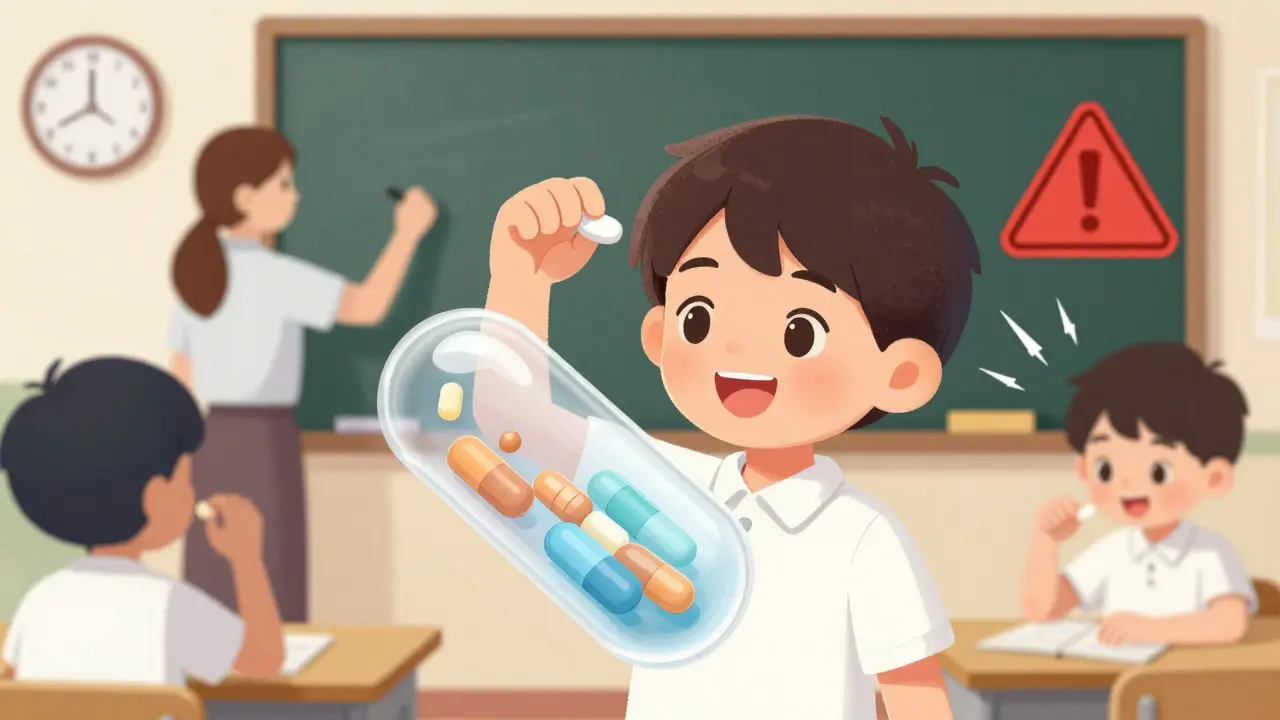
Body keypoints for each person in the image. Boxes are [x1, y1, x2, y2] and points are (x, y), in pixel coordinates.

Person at [480, 116, 981, 719]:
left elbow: (915, 698)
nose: (737, 349)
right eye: (699, 317)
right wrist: (521, 278)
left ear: (900, 374)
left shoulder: (862, 537)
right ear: (660, 335)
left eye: (800, 332)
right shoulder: (668, 488)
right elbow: (515, 429)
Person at [168, 127, 437, 622]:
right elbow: (367, 307)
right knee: (270, 579)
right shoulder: (273, 275)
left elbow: (180, 376)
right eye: (283, 184)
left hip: (209, 442)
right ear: (245, 198)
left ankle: (210, 668)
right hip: (262, 443)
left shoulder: (196, 275)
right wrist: (407, 233)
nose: (296, 195)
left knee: (214, 580)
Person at [0, 357, 283, 684]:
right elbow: (264, 660)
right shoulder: (169, 602)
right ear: (155, 497)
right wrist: (246, 558)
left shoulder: (41, 598)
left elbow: (11, 677)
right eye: (185, 479)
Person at [1021, 343, 1256, 646]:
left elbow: (1230, 624)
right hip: (1119, 672)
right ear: (1084, 469)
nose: (1128, 482)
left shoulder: (1210, 552)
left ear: (1214, 478)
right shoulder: (1112, 550)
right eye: (1106, 469)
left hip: (1188, 673)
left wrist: (1150, 630)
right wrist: (1046, 541)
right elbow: (1042, 612)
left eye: (1159, 471)